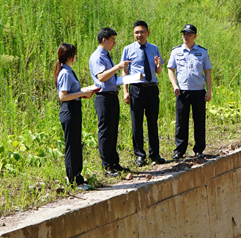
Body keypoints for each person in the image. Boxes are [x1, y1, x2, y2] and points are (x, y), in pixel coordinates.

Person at [121, 20, 166, 166]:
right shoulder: (128, 49)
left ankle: (155, 154)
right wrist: (125, 91)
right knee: (137, 123)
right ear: (133, 34)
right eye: (136, 32)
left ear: (148, 33)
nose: (139, 35)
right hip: (137, 89)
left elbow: (158, 71)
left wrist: (158, 66)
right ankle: (140, 154)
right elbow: (125, 71)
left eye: (141, 32)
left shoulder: (154, 48)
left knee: (152, 121)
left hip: (152, 88)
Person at [89, 28, 131, 177]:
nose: (114, 43)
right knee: (105, 131)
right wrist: (117, 67)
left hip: (112, 95)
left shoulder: (106, 55)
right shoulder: (97, 57)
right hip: (103, 97)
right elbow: (101, 77)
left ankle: (114, 162)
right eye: (112, 40)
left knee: (113, 130)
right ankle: (107, 166)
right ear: (104, 40)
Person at [167, 24, 212, 160]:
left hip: (198, 91)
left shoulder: (202, 52)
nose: (185, 37)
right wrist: (174, 85)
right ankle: (179, 150)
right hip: (182, 92)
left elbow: (208, 72)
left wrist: (209, 91)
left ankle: (199, 149)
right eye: (184, 34)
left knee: (199, 121)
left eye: (189, 34)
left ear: (195, 36)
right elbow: (170, 69)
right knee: (181, 121)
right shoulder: (176, 51)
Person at [54, 43, 96, 188]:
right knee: (72, 146)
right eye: (74, 54)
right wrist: (82, 93)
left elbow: (72, 92)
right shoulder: (65, 73)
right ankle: (72, 179)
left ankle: (78, 176)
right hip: (69, 110)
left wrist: (84, 92)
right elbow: (63, 96)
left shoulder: (68, 71)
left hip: (75, 109)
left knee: (77, 144)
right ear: (70, 56)